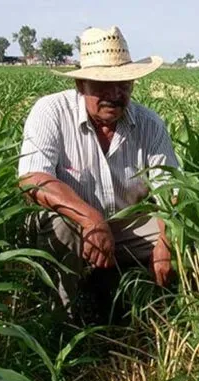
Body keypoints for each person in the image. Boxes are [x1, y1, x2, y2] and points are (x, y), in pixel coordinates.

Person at [17, 26, 180, 323]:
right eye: (103, 85)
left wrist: (167, 243)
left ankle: (158, 313)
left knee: (186, 233)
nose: (115, 95)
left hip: (126, 225)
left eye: (123, 84)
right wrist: (91, 219)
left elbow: (171, 189)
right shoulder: (51, 111)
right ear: (81, 84)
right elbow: (32, 177)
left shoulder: (149, 124)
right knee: (61, 227)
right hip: (75, 225)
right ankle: (60, 323)